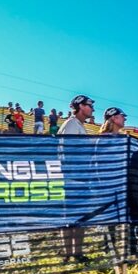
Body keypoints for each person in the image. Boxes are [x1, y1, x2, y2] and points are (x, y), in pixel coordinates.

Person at [57, 94, 95, 263]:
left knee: (81, 217)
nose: (92, 108)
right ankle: (67, 253)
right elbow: (67, 152)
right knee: (69, 217)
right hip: (72, 179)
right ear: (80, 106)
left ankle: (77, 253)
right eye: (89, 105)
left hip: (80, 178)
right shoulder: (71, 124)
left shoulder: (78, 125)